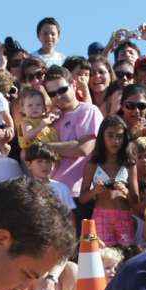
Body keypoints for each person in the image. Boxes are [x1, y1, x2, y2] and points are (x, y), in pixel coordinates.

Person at [78, 116, 138, 248]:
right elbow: (82, 198)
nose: (115, 141)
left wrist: (125, 191)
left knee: (126, 254)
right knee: (102, 256)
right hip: (101, 216)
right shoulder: (93, 164)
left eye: (119, 136)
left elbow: (136, 200)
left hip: (124, 216)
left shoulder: (129, 164)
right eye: (110, 135)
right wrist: (95, 191)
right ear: (102, 137)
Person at [41, 65, 102, 195]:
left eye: (62, 90)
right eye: (52, 94)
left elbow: (83, 148)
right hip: (51, 193)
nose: (58, 96)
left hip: (78, 194)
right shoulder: (51, 119)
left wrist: (45, 146)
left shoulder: (88, 110)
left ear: (73, 84)